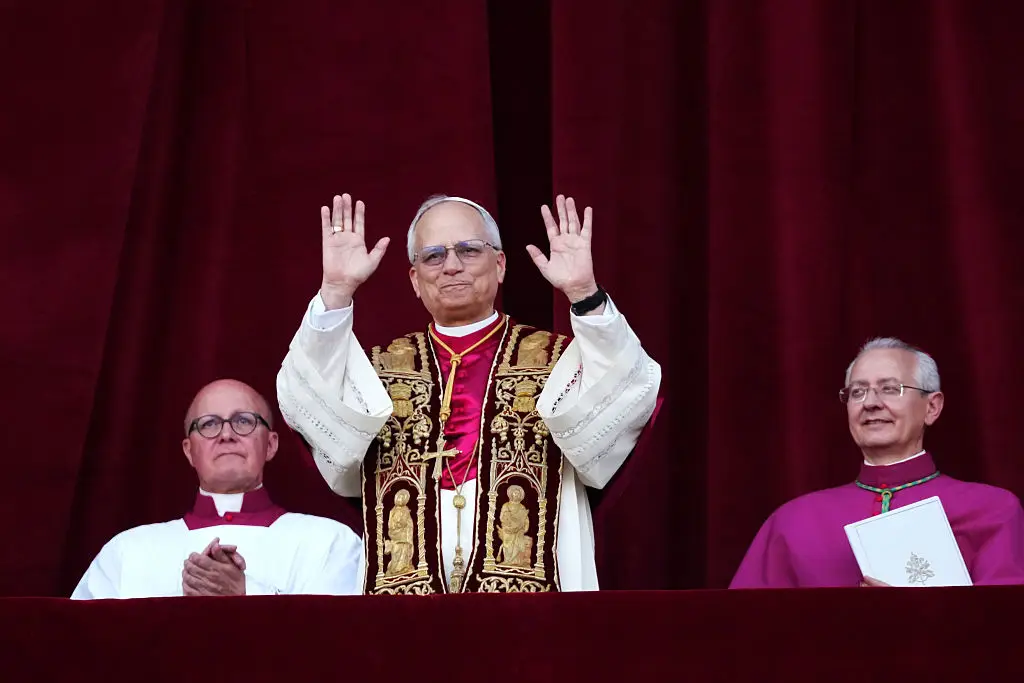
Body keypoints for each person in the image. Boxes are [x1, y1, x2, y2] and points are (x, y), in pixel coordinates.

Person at [277, 193, 661, 594]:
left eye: (468, 250)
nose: (452, 266)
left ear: (500, 265)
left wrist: (585, 293)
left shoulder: (560, 363)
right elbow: (303, 399)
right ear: (414, 280)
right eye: (433, 256)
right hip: (402, 599)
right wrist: (336, 292)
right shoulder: (376, 372)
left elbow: (629, 390)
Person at [730, 337, 1024, 588]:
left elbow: (1007, 629)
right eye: (857, 392)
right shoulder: (792, 521)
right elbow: (741, 631)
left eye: (889, 388)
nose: (870, 403)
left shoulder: (992, 510)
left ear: (932, 407)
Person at [72, 379, 363, 599]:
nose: (226, 434)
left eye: (243, 421)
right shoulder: (126, 552)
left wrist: (248, 594)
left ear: (271, 445)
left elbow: (340, 645)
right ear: (189, 451)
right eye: (209, 424)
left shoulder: (330, 543)